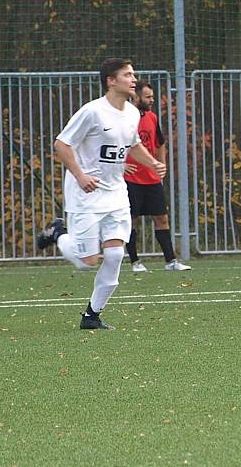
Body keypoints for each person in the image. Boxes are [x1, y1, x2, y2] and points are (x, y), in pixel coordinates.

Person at [36, 58, 166, 330]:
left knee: (117, 255)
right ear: (111, 80)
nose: (133, 79)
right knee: (87, 262)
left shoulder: (132, 113)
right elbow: (61, 144)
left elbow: (132, 145)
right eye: (127, 75)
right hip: (86, 193)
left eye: (133, 74)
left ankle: (91, 315)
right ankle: (57, 231)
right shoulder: (92, 112)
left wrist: (151, 162)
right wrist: (80, 175)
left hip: (116, 193)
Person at [124, 81, 191, 273]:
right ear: (135, 97)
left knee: (162, 218)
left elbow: (160, 143)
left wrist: (161, 165)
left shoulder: (152, 117)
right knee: (131, 219)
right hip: (131, 179)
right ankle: (135, 262)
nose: (152, 100)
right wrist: (121, 165)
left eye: (152, 96)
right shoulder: (125, 118)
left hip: (151, 178)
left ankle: (171, 261)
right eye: (148, 97)